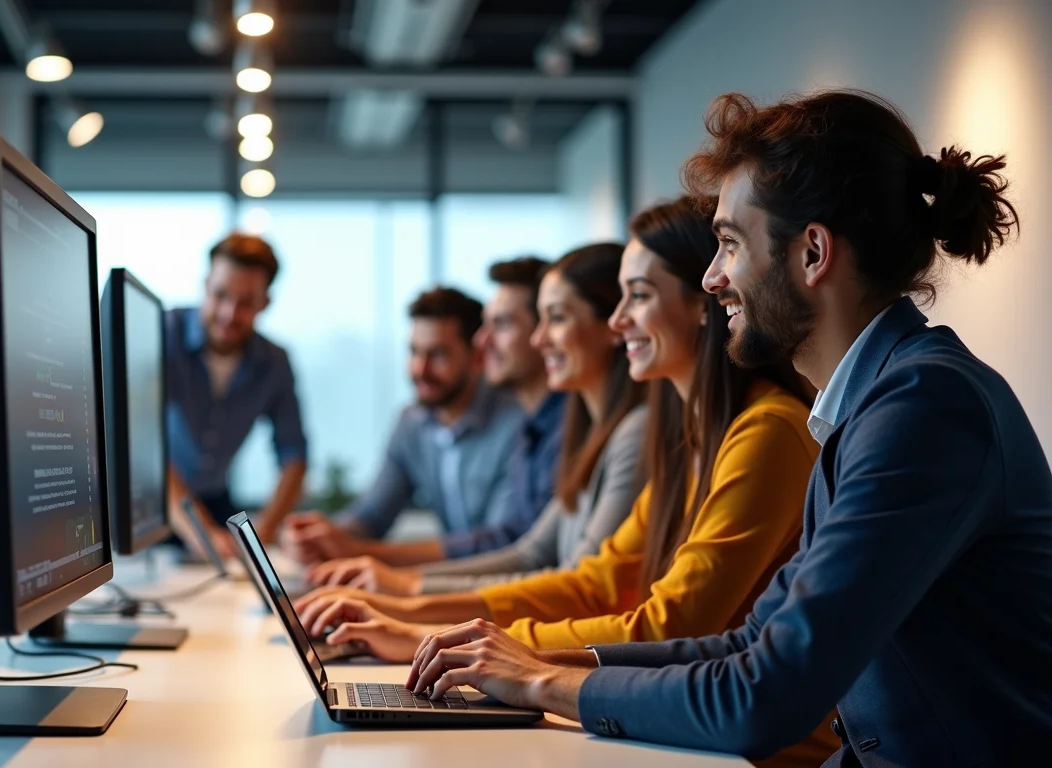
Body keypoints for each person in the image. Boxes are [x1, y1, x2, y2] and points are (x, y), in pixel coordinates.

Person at [403, 90, 1052, 767]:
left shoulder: (923, 408)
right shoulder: (870, 405)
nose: (714, 278)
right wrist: (529, 659)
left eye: (731, 244)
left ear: (813, 254)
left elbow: (760, 697)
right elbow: (751, 643)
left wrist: (540, 680)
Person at [296, 196, 836, 768]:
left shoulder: (766, 432)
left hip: (760, 753)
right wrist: (434, 629)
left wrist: (501, 652)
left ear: (702, 305)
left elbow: (667, 624)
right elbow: (597, 580)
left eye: (640, 296)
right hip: (690, 732)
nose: (617, 320)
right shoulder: (692, 439)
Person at [307, 244, 649, 598]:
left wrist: (405, 592)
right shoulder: (577, 429)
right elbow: (529, 554)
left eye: (556, 318)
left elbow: (566, 579)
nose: (539, 339)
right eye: (413, 352)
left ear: (613, 326)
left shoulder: (607, 430)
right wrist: (393, 586)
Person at [282, 287, 526, 564]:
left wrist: (362, 552)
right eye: (414, 352)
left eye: (438, 355)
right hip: (452, 584)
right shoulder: (412, 422)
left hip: (498, 586)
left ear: (477, 357)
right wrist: (322, 537)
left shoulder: (516, 423)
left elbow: (500, 543)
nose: (419, 370)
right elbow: (372, 516)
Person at [166, 233, 307, 556]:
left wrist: (266, 533)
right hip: (161, 502)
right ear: (205, 285)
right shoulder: (165, 335)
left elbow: (293, 455)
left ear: (265, 303)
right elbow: (140, 444)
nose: (230, 313)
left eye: (245, 302)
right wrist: (198, 532)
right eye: (220, 295)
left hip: (217, 501)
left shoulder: (275, 363)